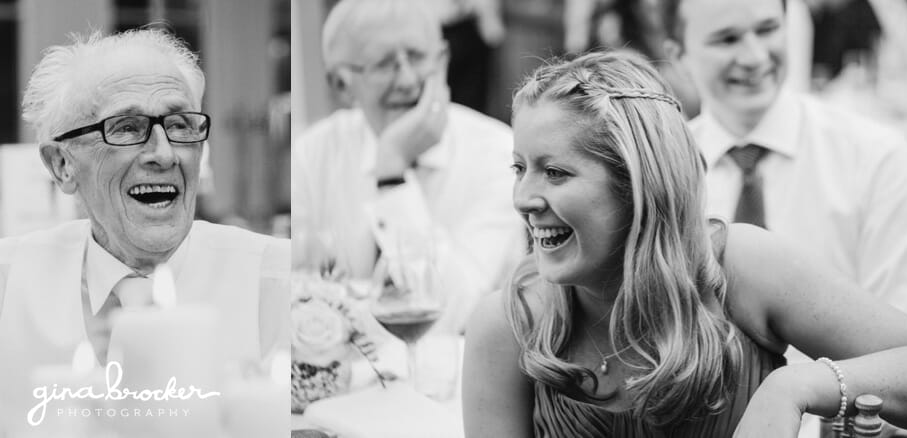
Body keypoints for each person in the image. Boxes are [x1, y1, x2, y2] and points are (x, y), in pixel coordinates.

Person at [461, 51, 907, 438]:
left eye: (556, 172)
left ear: (639, 184)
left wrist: (794, 386)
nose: (523, 198)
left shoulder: (740, 268)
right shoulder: (507, 327)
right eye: (519, 168)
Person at [0, 28, 288, 433]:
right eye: (126, 128)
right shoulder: (7, 283)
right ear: (62, 165)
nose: (165, 153)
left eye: (181, 124)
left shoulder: (278, 282)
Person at [661, 0, 907, 332]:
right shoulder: (662, 171)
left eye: (768, 30)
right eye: (727, 39)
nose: (754, 57)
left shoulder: (876, 159)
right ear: (679, 56)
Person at [292, 0, 522, 334]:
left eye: (416, 57)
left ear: (442, 60)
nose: (407, 80)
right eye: (384, 64)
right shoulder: (313, 154)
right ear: (342, 84)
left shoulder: (498, 152)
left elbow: (452, 314)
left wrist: (392, 176)